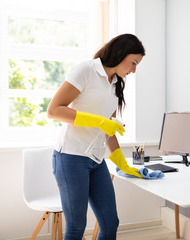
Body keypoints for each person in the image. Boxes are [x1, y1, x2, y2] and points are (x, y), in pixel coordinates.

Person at [47, 33, 145, 240]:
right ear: (120, 53)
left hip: (96, 160)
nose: (134, 70)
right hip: (71, 157)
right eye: (133, 63)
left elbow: (109, 129)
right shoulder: (86, 70)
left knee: (110, 223)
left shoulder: (115, 83)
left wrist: (121, 162)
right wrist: (100, 121)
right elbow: (54, 110)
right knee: (76, 226)